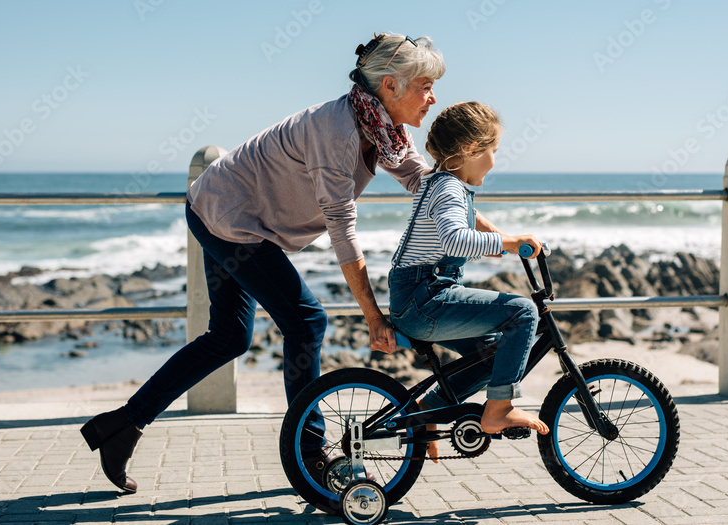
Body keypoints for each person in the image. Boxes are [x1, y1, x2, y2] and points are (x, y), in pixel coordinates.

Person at [80, 32, 469, 493]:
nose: (433, 97)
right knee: (307, 322)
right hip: (230, 219)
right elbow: (342, 230)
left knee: (228, 337)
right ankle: (309, 453)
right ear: (390, 86)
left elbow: (427, 187)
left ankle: (120, 427)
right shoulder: (338, 135)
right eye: (425, 85)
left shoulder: (380, 129)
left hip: (225, 211)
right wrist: (372, 316)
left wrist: (489, 229)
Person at [387, 101, 549, 462]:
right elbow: (455, 239)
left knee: (496, 355)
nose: (495, 160)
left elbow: (465, 222)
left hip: (417, 295)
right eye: (493, 151)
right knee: (522, 312)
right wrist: (509, 242)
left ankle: (428, 411)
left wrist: (504, 241)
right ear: (471, 150)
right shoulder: (448, 189)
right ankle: (499, 410)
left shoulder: (440, 183)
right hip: (425, 296)